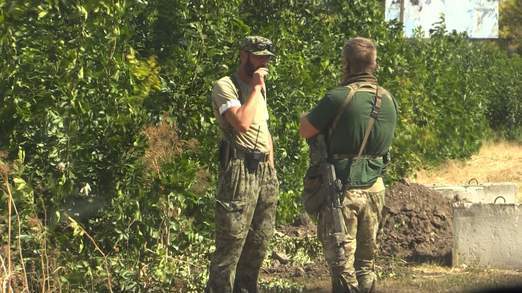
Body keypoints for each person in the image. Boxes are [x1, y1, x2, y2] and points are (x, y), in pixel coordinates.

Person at [299, 37, 398, 293]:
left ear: (346, 63)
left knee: (342, 264)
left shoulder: (338, 97)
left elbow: (305, 128)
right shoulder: (388, 99)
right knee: (366, 263)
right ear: (374, 64)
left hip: (343, 191)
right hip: (376, 188)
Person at [206, 36, 279, 293]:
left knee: (259, 242)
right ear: (244, 55)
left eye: (267, 57)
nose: (263, 62)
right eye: (258, 56)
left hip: (264, 171)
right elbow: (242, 123)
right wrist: (257, 89)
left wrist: (271, 163)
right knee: (231, 245)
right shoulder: (226, 86)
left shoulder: (259, 88)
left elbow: (263, 127)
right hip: (239, 168)